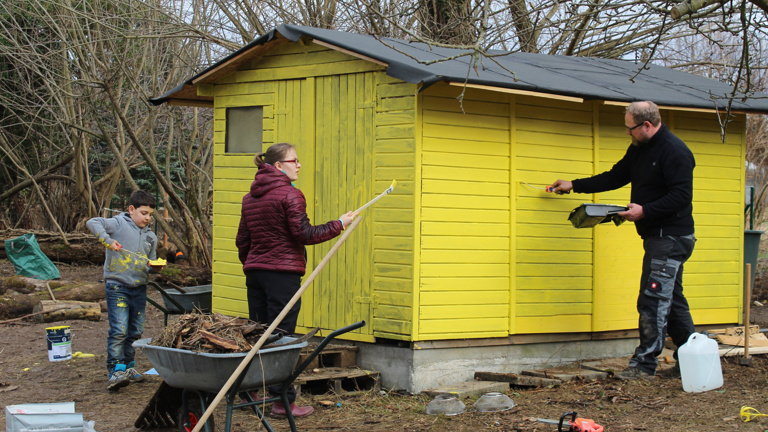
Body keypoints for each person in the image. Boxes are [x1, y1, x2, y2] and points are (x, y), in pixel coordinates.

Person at [550, 101, 696, 381]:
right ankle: (691, 360)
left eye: (630, 128)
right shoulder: (640, 149)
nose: (627, 133)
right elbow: (615, 176)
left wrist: (646, 210)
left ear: (647, 126)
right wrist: (574, 184)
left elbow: (681, 196)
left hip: (671, 237)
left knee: (652, 299)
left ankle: (643, 367)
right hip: (658, 236)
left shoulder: (675, 152)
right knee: (672, 300)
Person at [236, 142, 357, 417]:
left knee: (258, 334)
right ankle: (282, 402)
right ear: (279, 166)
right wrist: (339, 224)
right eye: (294, 161)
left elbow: (242, 241)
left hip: (255, 273)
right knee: (281, 340)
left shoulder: (250, 198)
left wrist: (253, 265)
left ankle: (249, 391)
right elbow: (305, 234)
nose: (299, 165)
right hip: (281, 276)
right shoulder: (290, 195)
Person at [86, 190, 159, 391]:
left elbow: (149, 261)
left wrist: (154, 267)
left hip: (139, 288)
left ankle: (128, 367)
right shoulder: (118, 224)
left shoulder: (151, 237)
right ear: (131, 209)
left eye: (150, 214)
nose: (147, 218)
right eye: (143, 213)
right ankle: (115, 371)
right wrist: (107, 241)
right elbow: (93, 222)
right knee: (119, 330)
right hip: (117, 286)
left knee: (135, 331)